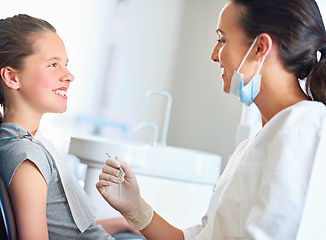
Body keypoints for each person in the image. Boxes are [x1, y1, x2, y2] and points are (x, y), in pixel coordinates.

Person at [96, 0, 326, 239]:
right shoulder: (254, 143)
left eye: (222, 39)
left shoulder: (305, 126)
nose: (214, 54)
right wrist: (136, 209)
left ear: (260, 47)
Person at [0, 14, 138, 240]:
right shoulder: (27, 158)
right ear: (12, 77)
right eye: (53, 65)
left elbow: (64, 229)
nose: (69, 76)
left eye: (65, 65)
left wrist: (121, 223)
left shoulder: (27, 145)